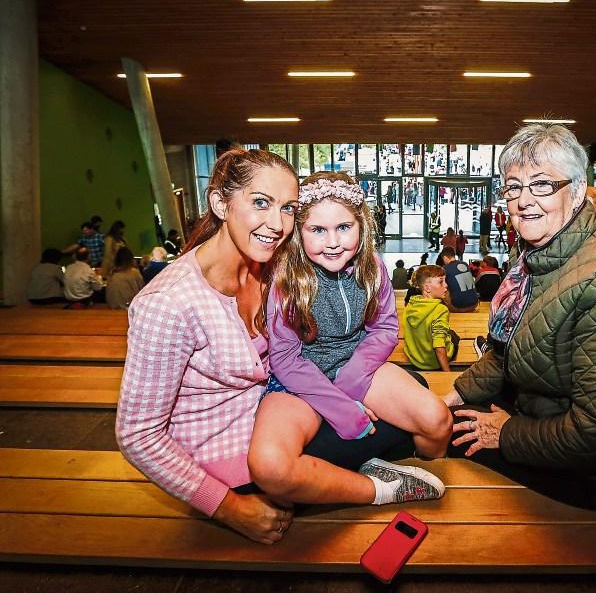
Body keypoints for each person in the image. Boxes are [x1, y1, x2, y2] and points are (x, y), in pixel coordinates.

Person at [117, 150, 432, 547]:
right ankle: (380, 487)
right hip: (238, 466)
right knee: (403, 420)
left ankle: (352, 464)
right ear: (219, 203)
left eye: (288, 208)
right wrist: (230, 509)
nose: (277, 224)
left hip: (282, 410)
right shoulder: (167, 303)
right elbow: (138, 436)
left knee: (410, 389)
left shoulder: (269, 264)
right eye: (261, 203)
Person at [445, 124, 596, 522]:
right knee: (434, 416)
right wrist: (457, 394)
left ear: (578, 189)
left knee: (443, 440)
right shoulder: (543, 255)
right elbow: (510, 350)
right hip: (552, 422)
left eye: (541, 185)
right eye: (513, 187)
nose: (523, 201)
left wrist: (505, 433)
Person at [251, 171, 450, 507]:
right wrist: (341, 407)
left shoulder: (372, 266)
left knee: (438, 420)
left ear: (362, 225)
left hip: (358, 364)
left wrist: (352, 379)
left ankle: (411, 476)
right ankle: (372, 486)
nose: (333, 242)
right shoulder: (288, 280)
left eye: (343, 227)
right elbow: (285, 359)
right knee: (270, 465)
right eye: (317, 230)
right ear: (299, 233)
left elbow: (385, 328)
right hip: (298, 379)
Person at [403, 265, 460, 371]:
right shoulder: (440, 310)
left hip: (415, 358)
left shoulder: (411, 304)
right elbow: (439, 346)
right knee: (454, 336)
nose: (446, 285)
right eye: (441, 282)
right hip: (432, 362)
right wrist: (447, 373)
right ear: (427, 288)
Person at [440, 246, 479, 313]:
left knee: (442, 287)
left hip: (458, 307)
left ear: (445, 257)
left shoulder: (445, 268)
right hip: (475, 304)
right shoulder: (465, 264)